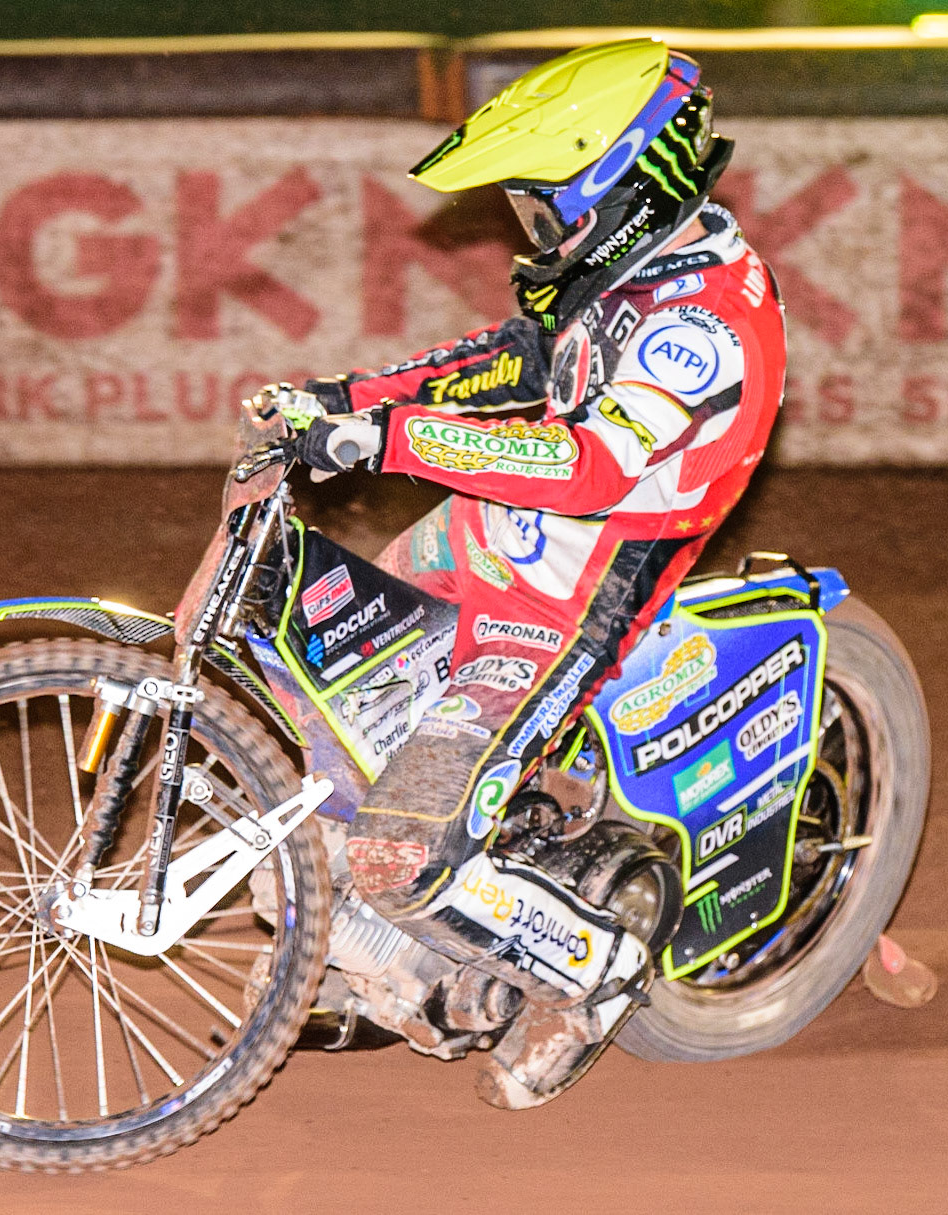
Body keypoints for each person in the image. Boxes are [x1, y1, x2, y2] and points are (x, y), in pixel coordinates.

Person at [263, 38, 788, 1108]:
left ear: (628, 187)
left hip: (565, 602)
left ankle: (591, 977)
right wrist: (347, 398)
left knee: (393, 853)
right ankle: (405, 959)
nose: (531, 231)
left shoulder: (701, 326)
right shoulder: (632, 272)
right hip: (475, 538)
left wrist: (393, 439)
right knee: (303, 722)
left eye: (546, 207)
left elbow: (588, 465)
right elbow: (513, 359)